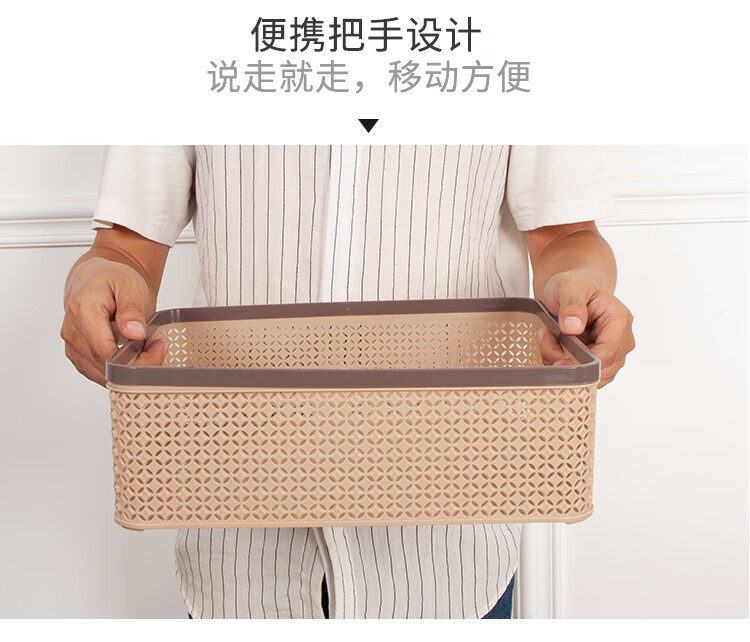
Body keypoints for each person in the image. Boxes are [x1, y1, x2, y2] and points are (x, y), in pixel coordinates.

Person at [61, 145, 635, 619]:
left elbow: (565, 236)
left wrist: (580, 287)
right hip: (239, 556)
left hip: (452, 558)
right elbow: (125, 247)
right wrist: (101, 276)